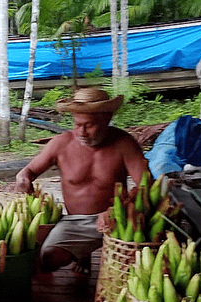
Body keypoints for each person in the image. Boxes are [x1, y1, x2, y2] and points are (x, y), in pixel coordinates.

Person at [15, 87, 148, 274]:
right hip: (76, 222)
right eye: (77, 124)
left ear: (107, 118)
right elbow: (29, 171)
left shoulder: (124, 144)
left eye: (89, 125)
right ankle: (82, 252)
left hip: (119, 217)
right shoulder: (61, 143)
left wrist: (119, 210)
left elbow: (147, 186)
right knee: (48, 259)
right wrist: (23, 178)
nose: (82, 132)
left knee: (132, 268)